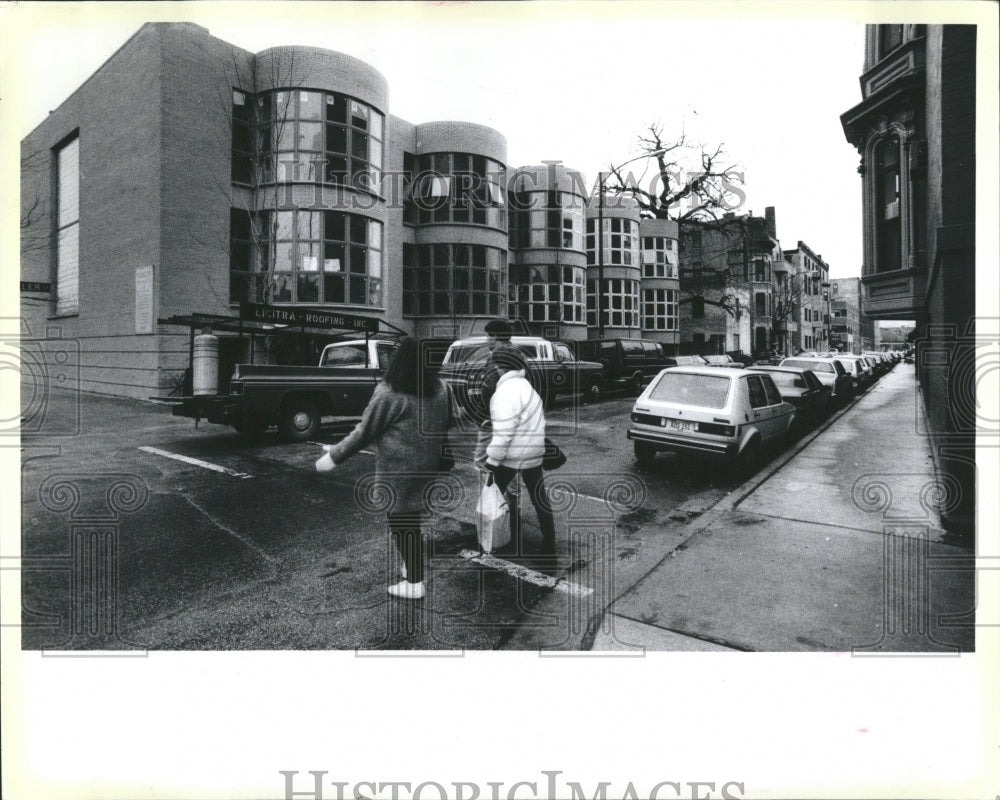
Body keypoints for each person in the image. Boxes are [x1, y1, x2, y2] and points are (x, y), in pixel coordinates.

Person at [316, 337, 451, 600]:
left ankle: (414, 583)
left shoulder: (390, 391)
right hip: (428, 464)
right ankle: (411, 567)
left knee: (401, 523)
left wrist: (333, 456)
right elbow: (450, 420)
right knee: (411, 520)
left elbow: (364, 431)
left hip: (398, 468)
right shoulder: (442, 388)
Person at [482, 346, 557, 562]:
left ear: (500, 367)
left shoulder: (505, 392)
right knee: (539, 497)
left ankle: (488, 540)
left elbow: (504, 433)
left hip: (512, 455)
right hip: (533, 452)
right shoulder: (527, 387)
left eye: (492, 366)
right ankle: (549, 543)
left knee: (491, 496)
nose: (489, 371)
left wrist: (492, 462)